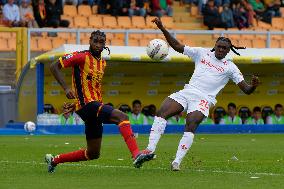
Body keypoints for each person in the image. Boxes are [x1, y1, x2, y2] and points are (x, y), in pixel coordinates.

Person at [142, 18, 260, 171]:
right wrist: (163, 28)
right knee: (162, 112)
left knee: (191, 123)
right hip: (188, 91)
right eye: (219, 46)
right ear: (215, 45)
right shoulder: (201, 53)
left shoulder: (231, 67)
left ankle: (176, 161)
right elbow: (177, 46)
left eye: (225, 48)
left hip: (204, 99)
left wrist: (254, 86)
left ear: (228, 50)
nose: (221, 50)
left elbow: (246, 89)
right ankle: (150, 150)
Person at [45, 30, 153, 173]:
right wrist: (66, 89)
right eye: (95, 41)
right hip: (88, 106)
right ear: (90, 41)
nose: (97, 44)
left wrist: (77, 104)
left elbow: (88, 87)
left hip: (90, 106)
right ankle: (136, 155)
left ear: (104, 45)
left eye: (101, 42)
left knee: (93, 153)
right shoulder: (81, 56)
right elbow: (54, 66)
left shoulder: (102, 63)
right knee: (122, 117)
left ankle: (54, 160)